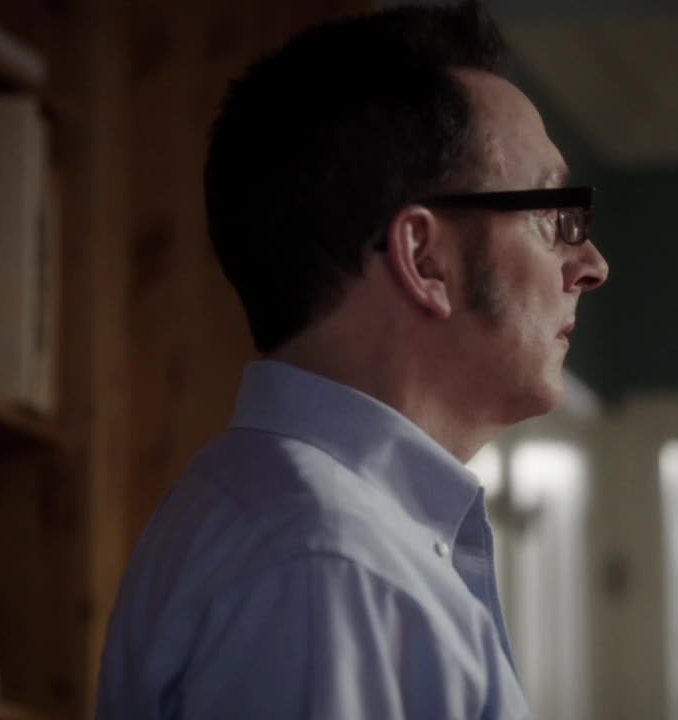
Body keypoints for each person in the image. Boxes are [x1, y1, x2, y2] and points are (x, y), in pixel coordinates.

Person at [96, 2, 608, 717]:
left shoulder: (311, 541)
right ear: (425, 258)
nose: (592, 265)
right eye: (556, 216)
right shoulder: (330, 567)